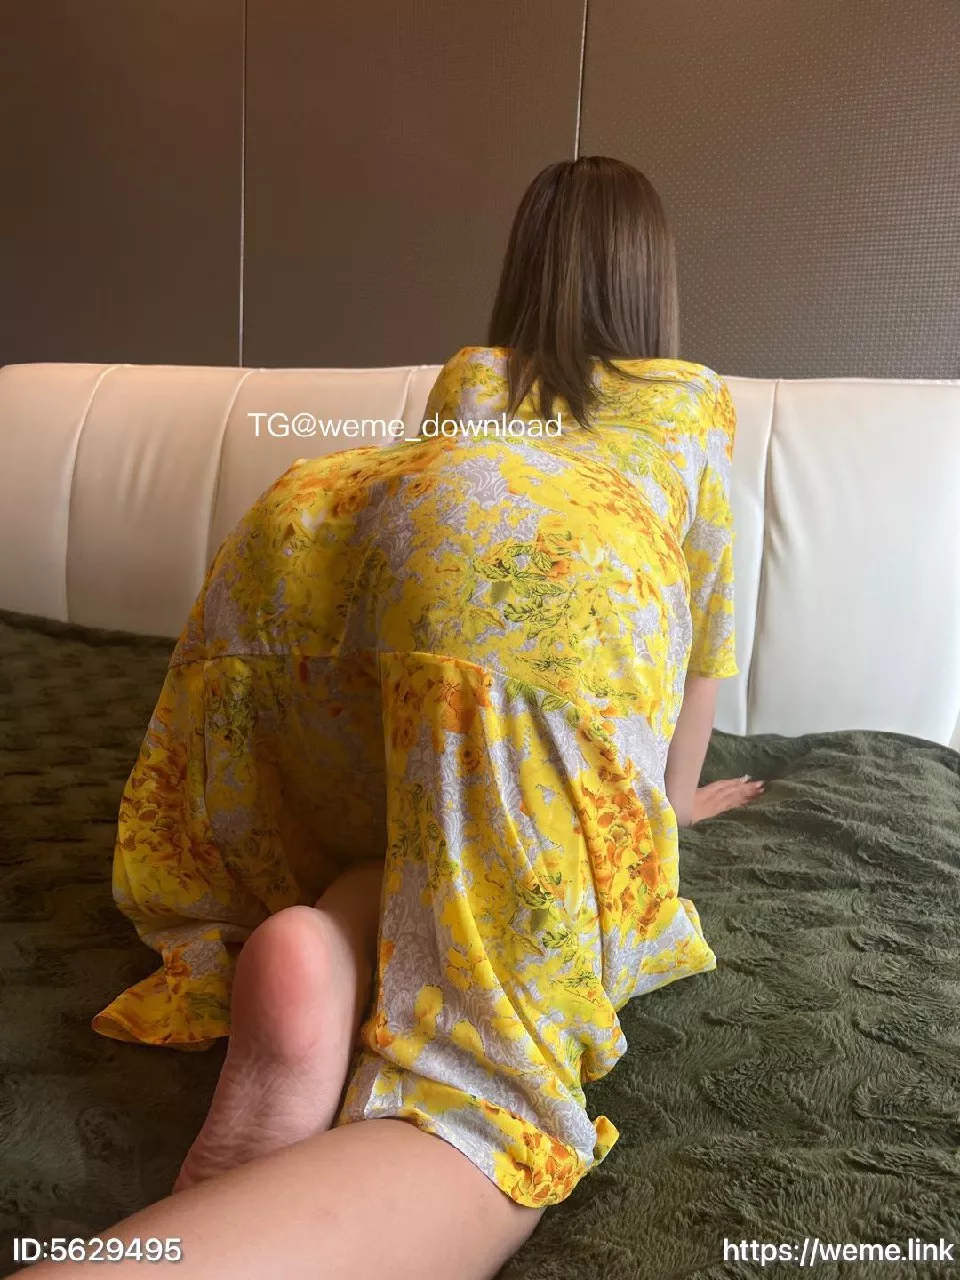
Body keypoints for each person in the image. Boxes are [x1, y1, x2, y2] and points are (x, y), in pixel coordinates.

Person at [21, 156, 762, 1279]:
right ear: (651, 277)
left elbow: (419, 671)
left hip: (304, 556)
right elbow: (700, 649)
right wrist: (666, 815)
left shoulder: (473, 376)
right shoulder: (696, 400)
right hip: (547, 599)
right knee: (493, 1083)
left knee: (430, 837)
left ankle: (325, 942)